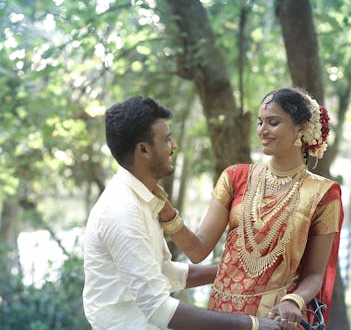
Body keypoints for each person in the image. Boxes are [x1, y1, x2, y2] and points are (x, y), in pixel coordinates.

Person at [82, 96, 281, 330]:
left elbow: (162, 272)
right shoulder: (122, 211)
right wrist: (253, 324)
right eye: (167, 139)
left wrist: (237, 273)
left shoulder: (142, 199)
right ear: (144, 150)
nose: (174, 146)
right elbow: (158, 309)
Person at [159, 88, 344, 329]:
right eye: (260, 122)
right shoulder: (235, 177)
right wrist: (167, 213)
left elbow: (315, 274)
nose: (262, 130)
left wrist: (294, 301)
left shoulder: (323, 194)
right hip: (223, 318)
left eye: (273, 122)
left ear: (301, 128)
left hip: (275, 318)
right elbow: (198, 250)